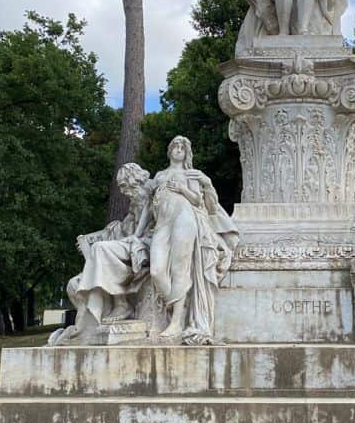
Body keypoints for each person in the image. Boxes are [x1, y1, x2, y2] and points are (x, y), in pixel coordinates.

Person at [136, 136, 238, 343]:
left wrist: (182, 189)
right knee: (157, 271)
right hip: (162, 224)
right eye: (175, 146)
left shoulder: (192, 174)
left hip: (184, 219)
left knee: (179, 269)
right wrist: (137, 235)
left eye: (182, 147)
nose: (178, 149)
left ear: (187, 152)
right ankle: (178, 309)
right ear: (169, 150)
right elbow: (148, 207)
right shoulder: (160, 175)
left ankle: (175, 323)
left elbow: (198, 200)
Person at [47, 163, 153, 346]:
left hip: (147, 247)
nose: (123, 191)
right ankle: (86, 325)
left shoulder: (151, 196)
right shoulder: (136, 201)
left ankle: (122, 304)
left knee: (100, 249)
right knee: (75, 283)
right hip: (133, 244)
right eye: (121, 187)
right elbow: (127, 229)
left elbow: (154, 230)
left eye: (125, 186)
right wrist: (107, 232)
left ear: (136, 181)